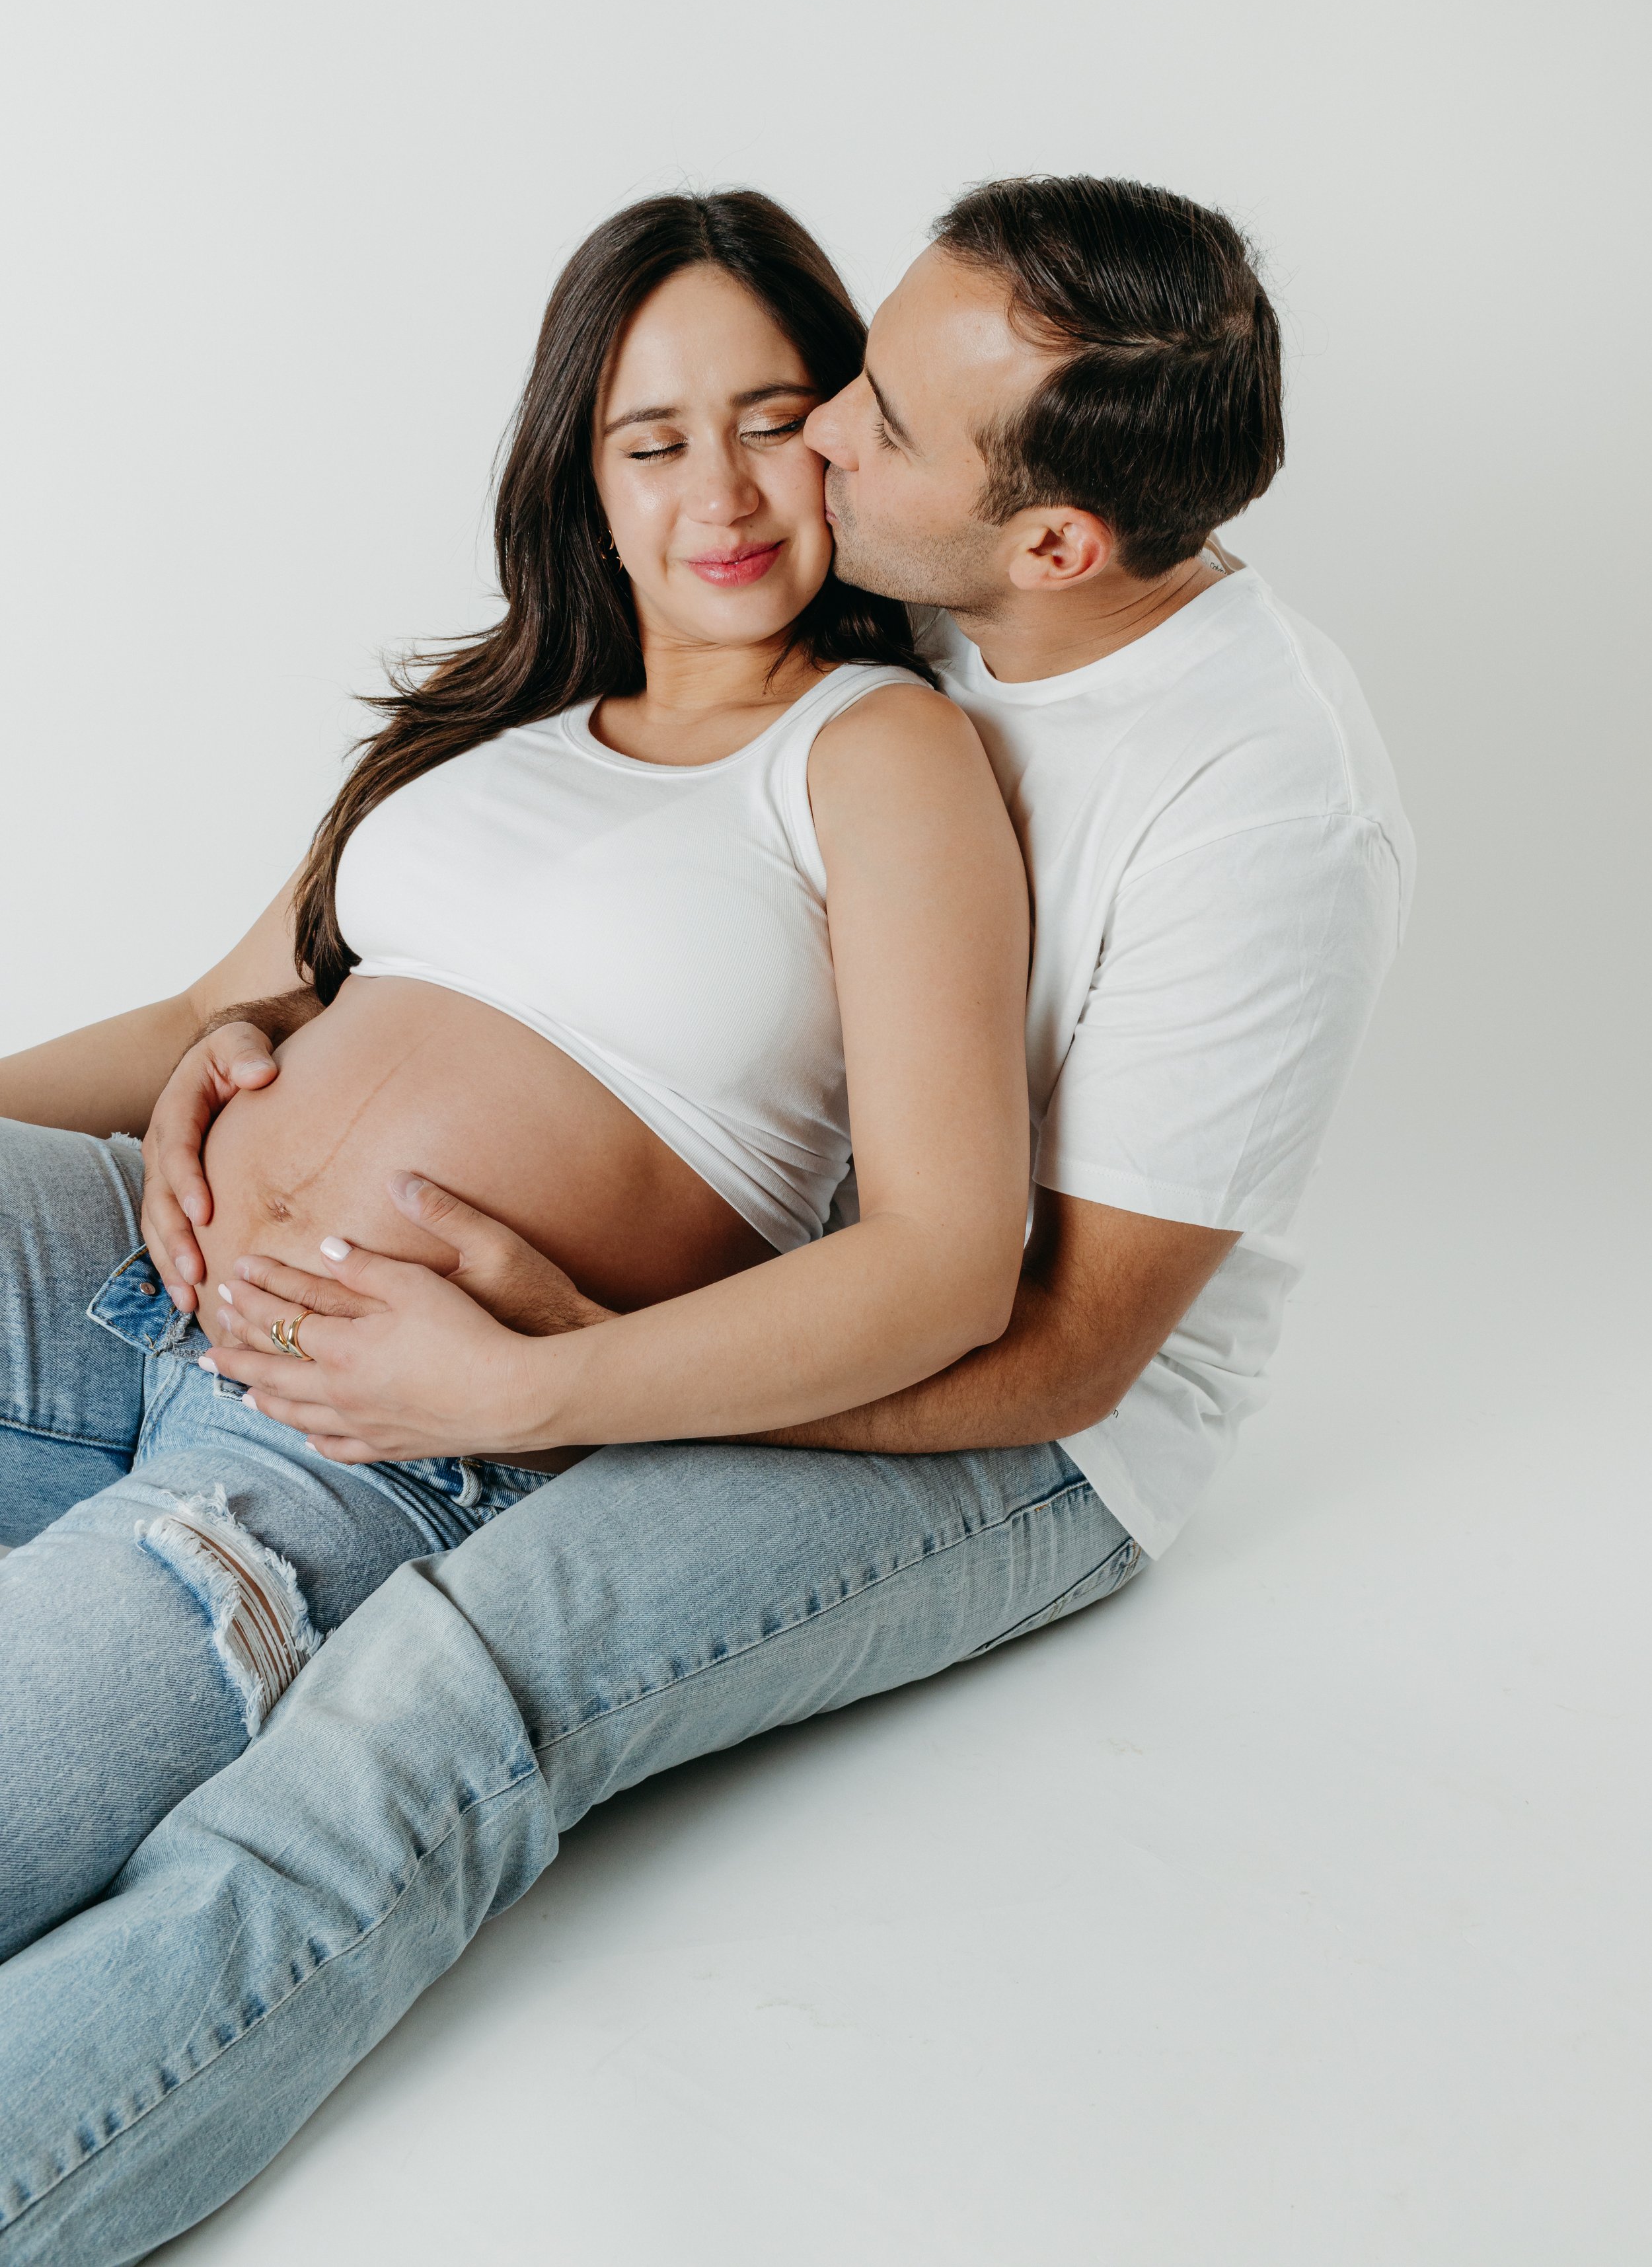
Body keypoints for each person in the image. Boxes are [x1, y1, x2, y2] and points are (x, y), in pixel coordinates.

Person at [0, 174, 1412, 2264]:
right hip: (212, 1282)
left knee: (443, 1706)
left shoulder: (1209, 784)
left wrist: (545, 1389)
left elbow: (1030, 1314)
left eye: (836, 418)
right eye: (672, 432)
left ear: (1050, 543)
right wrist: (271, 1038)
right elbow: (282, 980)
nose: (808, 450)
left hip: (1025, 1406)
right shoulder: (630, 676)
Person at [0, 190, 1032, 1958]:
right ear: (586, 478)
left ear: (848, 439)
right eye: (653, 441)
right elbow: (196, 1016)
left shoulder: (877, 751)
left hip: (357, 1437)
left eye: (769, 426)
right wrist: (235, 1056)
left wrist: (527, 1394)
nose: (715, 494)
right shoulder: (489, 735)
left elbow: (946, 1259)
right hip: (119, 1263)